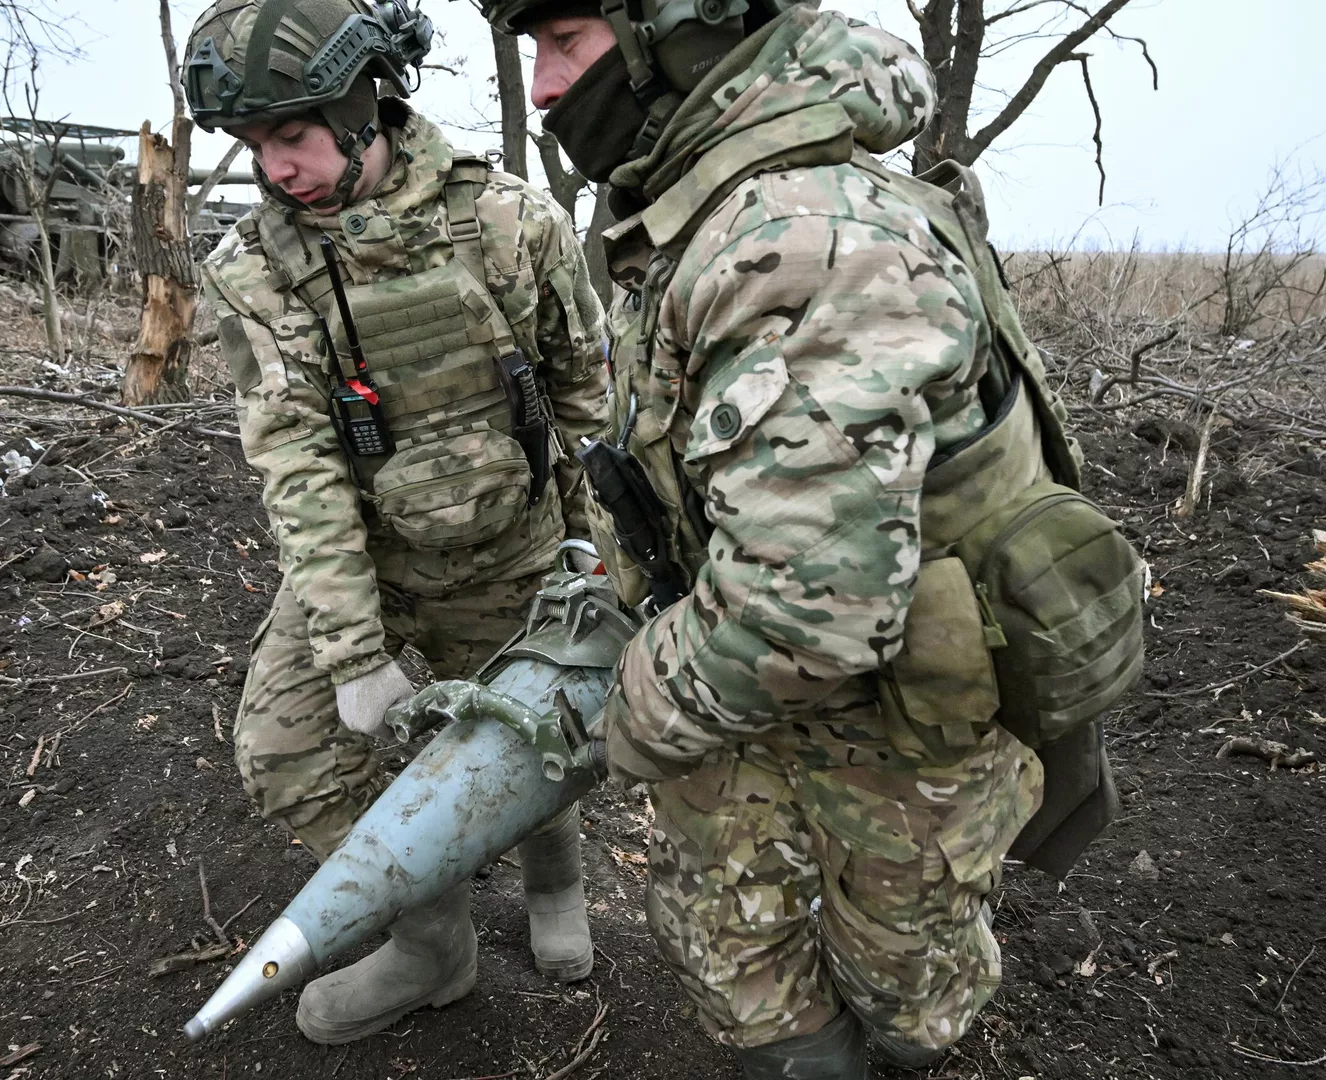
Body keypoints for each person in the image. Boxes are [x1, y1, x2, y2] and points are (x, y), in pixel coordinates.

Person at [475, 2, 1136, 1077]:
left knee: (909, 1002)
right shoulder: (712, 209)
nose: (544, 88)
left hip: (893, 732)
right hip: (749, 696)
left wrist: (622, 717)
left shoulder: (799, 239)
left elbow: (800, 611)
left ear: (670, 38)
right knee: (740, 969)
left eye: (563, 42)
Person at [186, 0, 612, 1046]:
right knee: (286, 754)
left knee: (538, 743)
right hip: (368, 560)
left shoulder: (510, 221)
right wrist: (351, 645)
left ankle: (556, 873)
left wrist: (601, 559)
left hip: (513, 546)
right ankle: (433, 941)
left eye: (292, 135)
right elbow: (299, 464)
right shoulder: (256, 268)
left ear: (365, 105)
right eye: (253, 145)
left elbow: (589, 401)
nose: (273, 168)